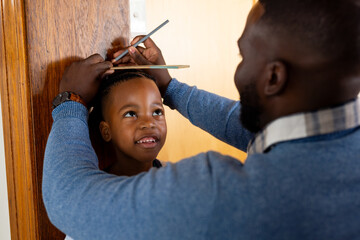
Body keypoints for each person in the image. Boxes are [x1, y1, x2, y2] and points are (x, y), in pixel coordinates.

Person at [43, 1, 360, 239]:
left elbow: (68, 197)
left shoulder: (219, 196)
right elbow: (251, 128)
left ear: (274, 77)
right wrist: (170, 88)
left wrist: (70, 101)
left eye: (243, 57)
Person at [64, 70, 166, 240]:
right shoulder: (95, 200)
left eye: (157, 111)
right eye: (131, 114)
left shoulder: (179, 180)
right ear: (106, 131)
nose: (149, 123)